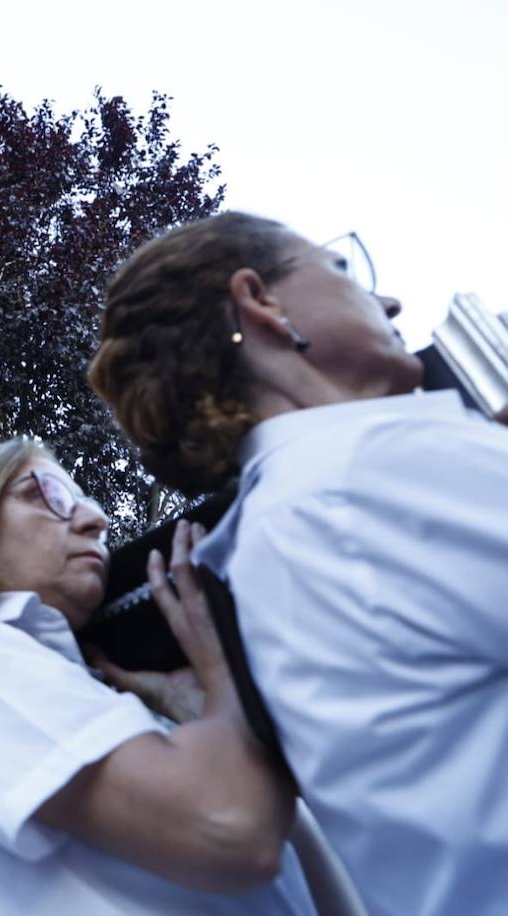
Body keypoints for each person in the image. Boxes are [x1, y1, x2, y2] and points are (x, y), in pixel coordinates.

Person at [88, 212, 508, 916]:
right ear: (262, 302)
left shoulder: (261, 542)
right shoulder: (375, 470)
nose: (389, 303)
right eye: (343, 271)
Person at [0, 438, 317, 914]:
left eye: (87, 503)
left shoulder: (89, 681)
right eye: (48, 494)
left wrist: (198, 708)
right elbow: (231, 827)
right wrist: (225, 669)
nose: (96, 522)